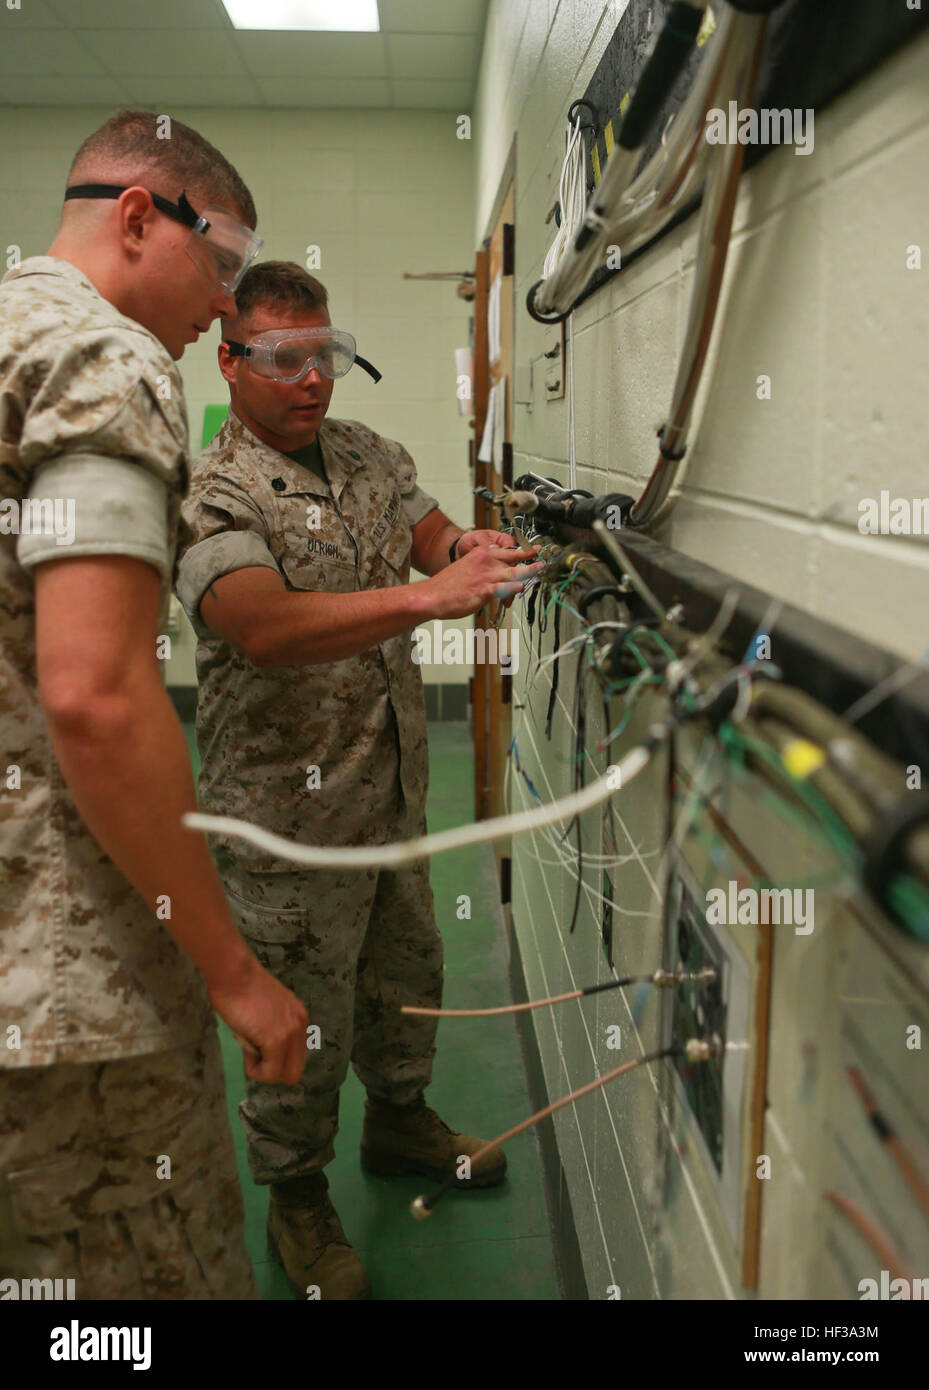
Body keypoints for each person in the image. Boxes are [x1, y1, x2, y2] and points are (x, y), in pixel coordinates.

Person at [176, 260, 542, 1300]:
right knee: (298, 1018)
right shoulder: (216, 491)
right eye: (285, 359)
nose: (311, 379)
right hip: (287, 826)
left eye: (325, 355)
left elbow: (429, 534)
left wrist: (464, 547)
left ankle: (400, 1124)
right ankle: (296, 1197)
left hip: (387, 798)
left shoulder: (372, 455)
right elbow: (260, 625)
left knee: (404, 976)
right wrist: (430, 601)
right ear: (231, 359)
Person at [0, 112, 309, 1301]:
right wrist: (231, 970)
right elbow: (97, 693)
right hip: (66, 985)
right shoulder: (100, 362)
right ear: (139, 216)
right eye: (221, 268)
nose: (225, 313)